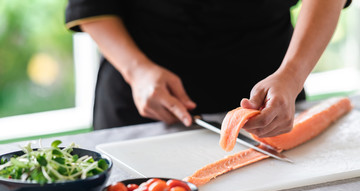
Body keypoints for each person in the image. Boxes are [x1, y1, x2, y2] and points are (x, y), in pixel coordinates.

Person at [65, 0, 351, 137]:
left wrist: (291, 75)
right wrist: (136, 71)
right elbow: (90, 5)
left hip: (269, 86)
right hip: (141, 91)